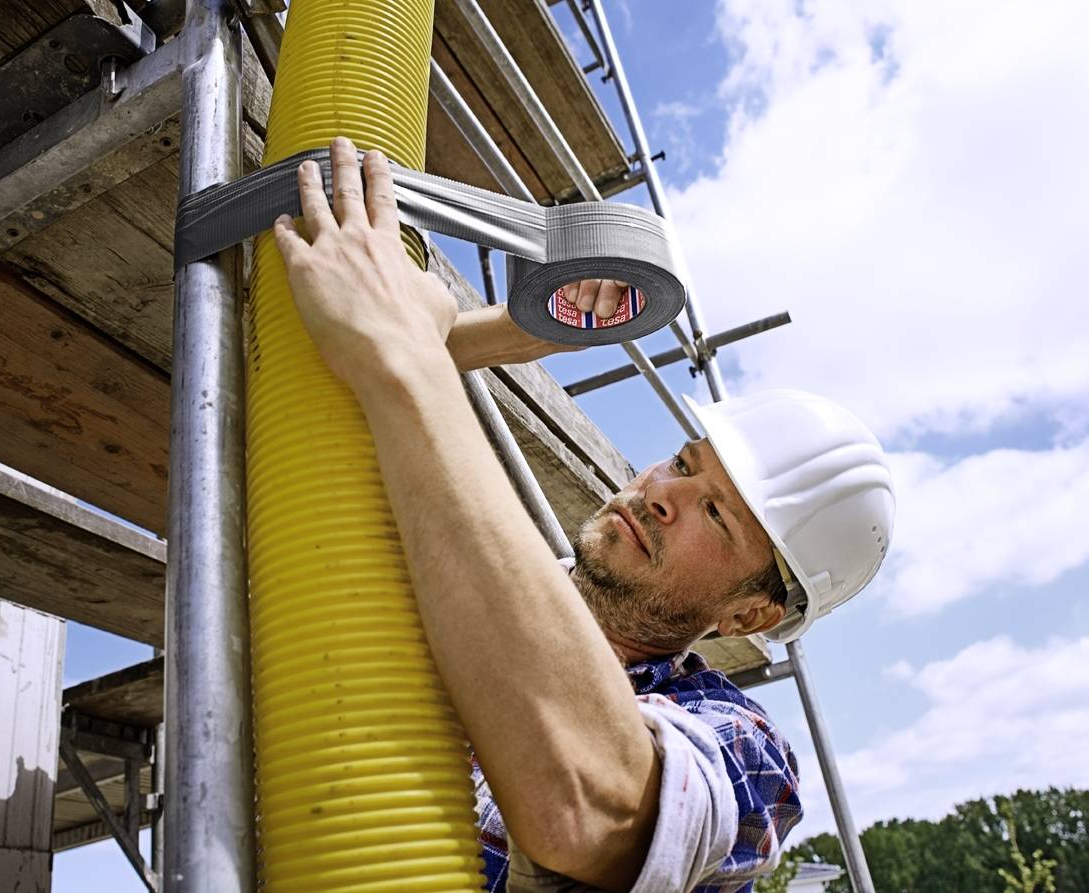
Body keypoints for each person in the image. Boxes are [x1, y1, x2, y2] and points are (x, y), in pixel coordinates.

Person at [272, 137, 896, 893]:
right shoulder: (445, 562)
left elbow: (586, 808)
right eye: (684, 462)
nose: (660, 491)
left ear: (750, 617)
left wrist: (412, 358)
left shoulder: (744, 750)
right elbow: (324, 379)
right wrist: (521, 328)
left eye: (716, 515)